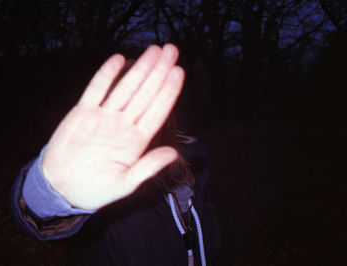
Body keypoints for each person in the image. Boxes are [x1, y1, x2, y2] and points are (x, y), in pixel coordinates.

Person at [11, 44, 221, 266]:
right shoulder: (100, 181)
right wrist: (54, 194)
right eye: (124, 100)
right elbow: (39, 217)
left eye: (145, 101)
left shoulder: (193, 167)